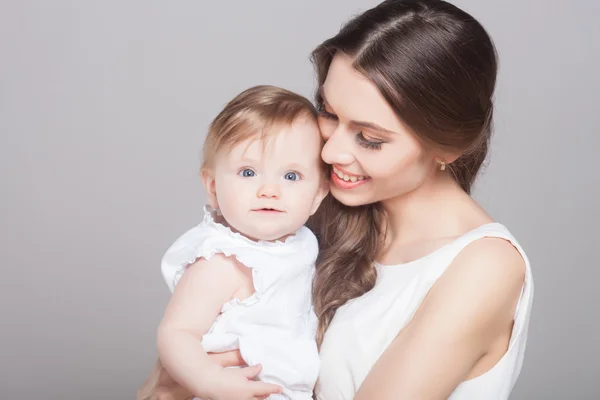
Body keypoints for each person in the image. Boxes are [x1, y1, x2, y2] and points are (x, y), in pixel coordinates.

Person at [139, 1, 534, 399]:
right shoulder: (306, 215)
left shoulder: (484, 267)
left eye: (370, 138)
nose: (329, 154)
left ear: (447, 148)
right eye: (328, 112)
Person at [151, 85, 328, 400]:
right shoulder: (221, 261)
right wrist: (209, 382)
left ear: (317, 195)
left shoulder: (304, 243)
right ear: (213, 187)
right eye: (248, 172)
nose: (269, 190)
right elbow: (176, 333)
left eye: (291, 176)